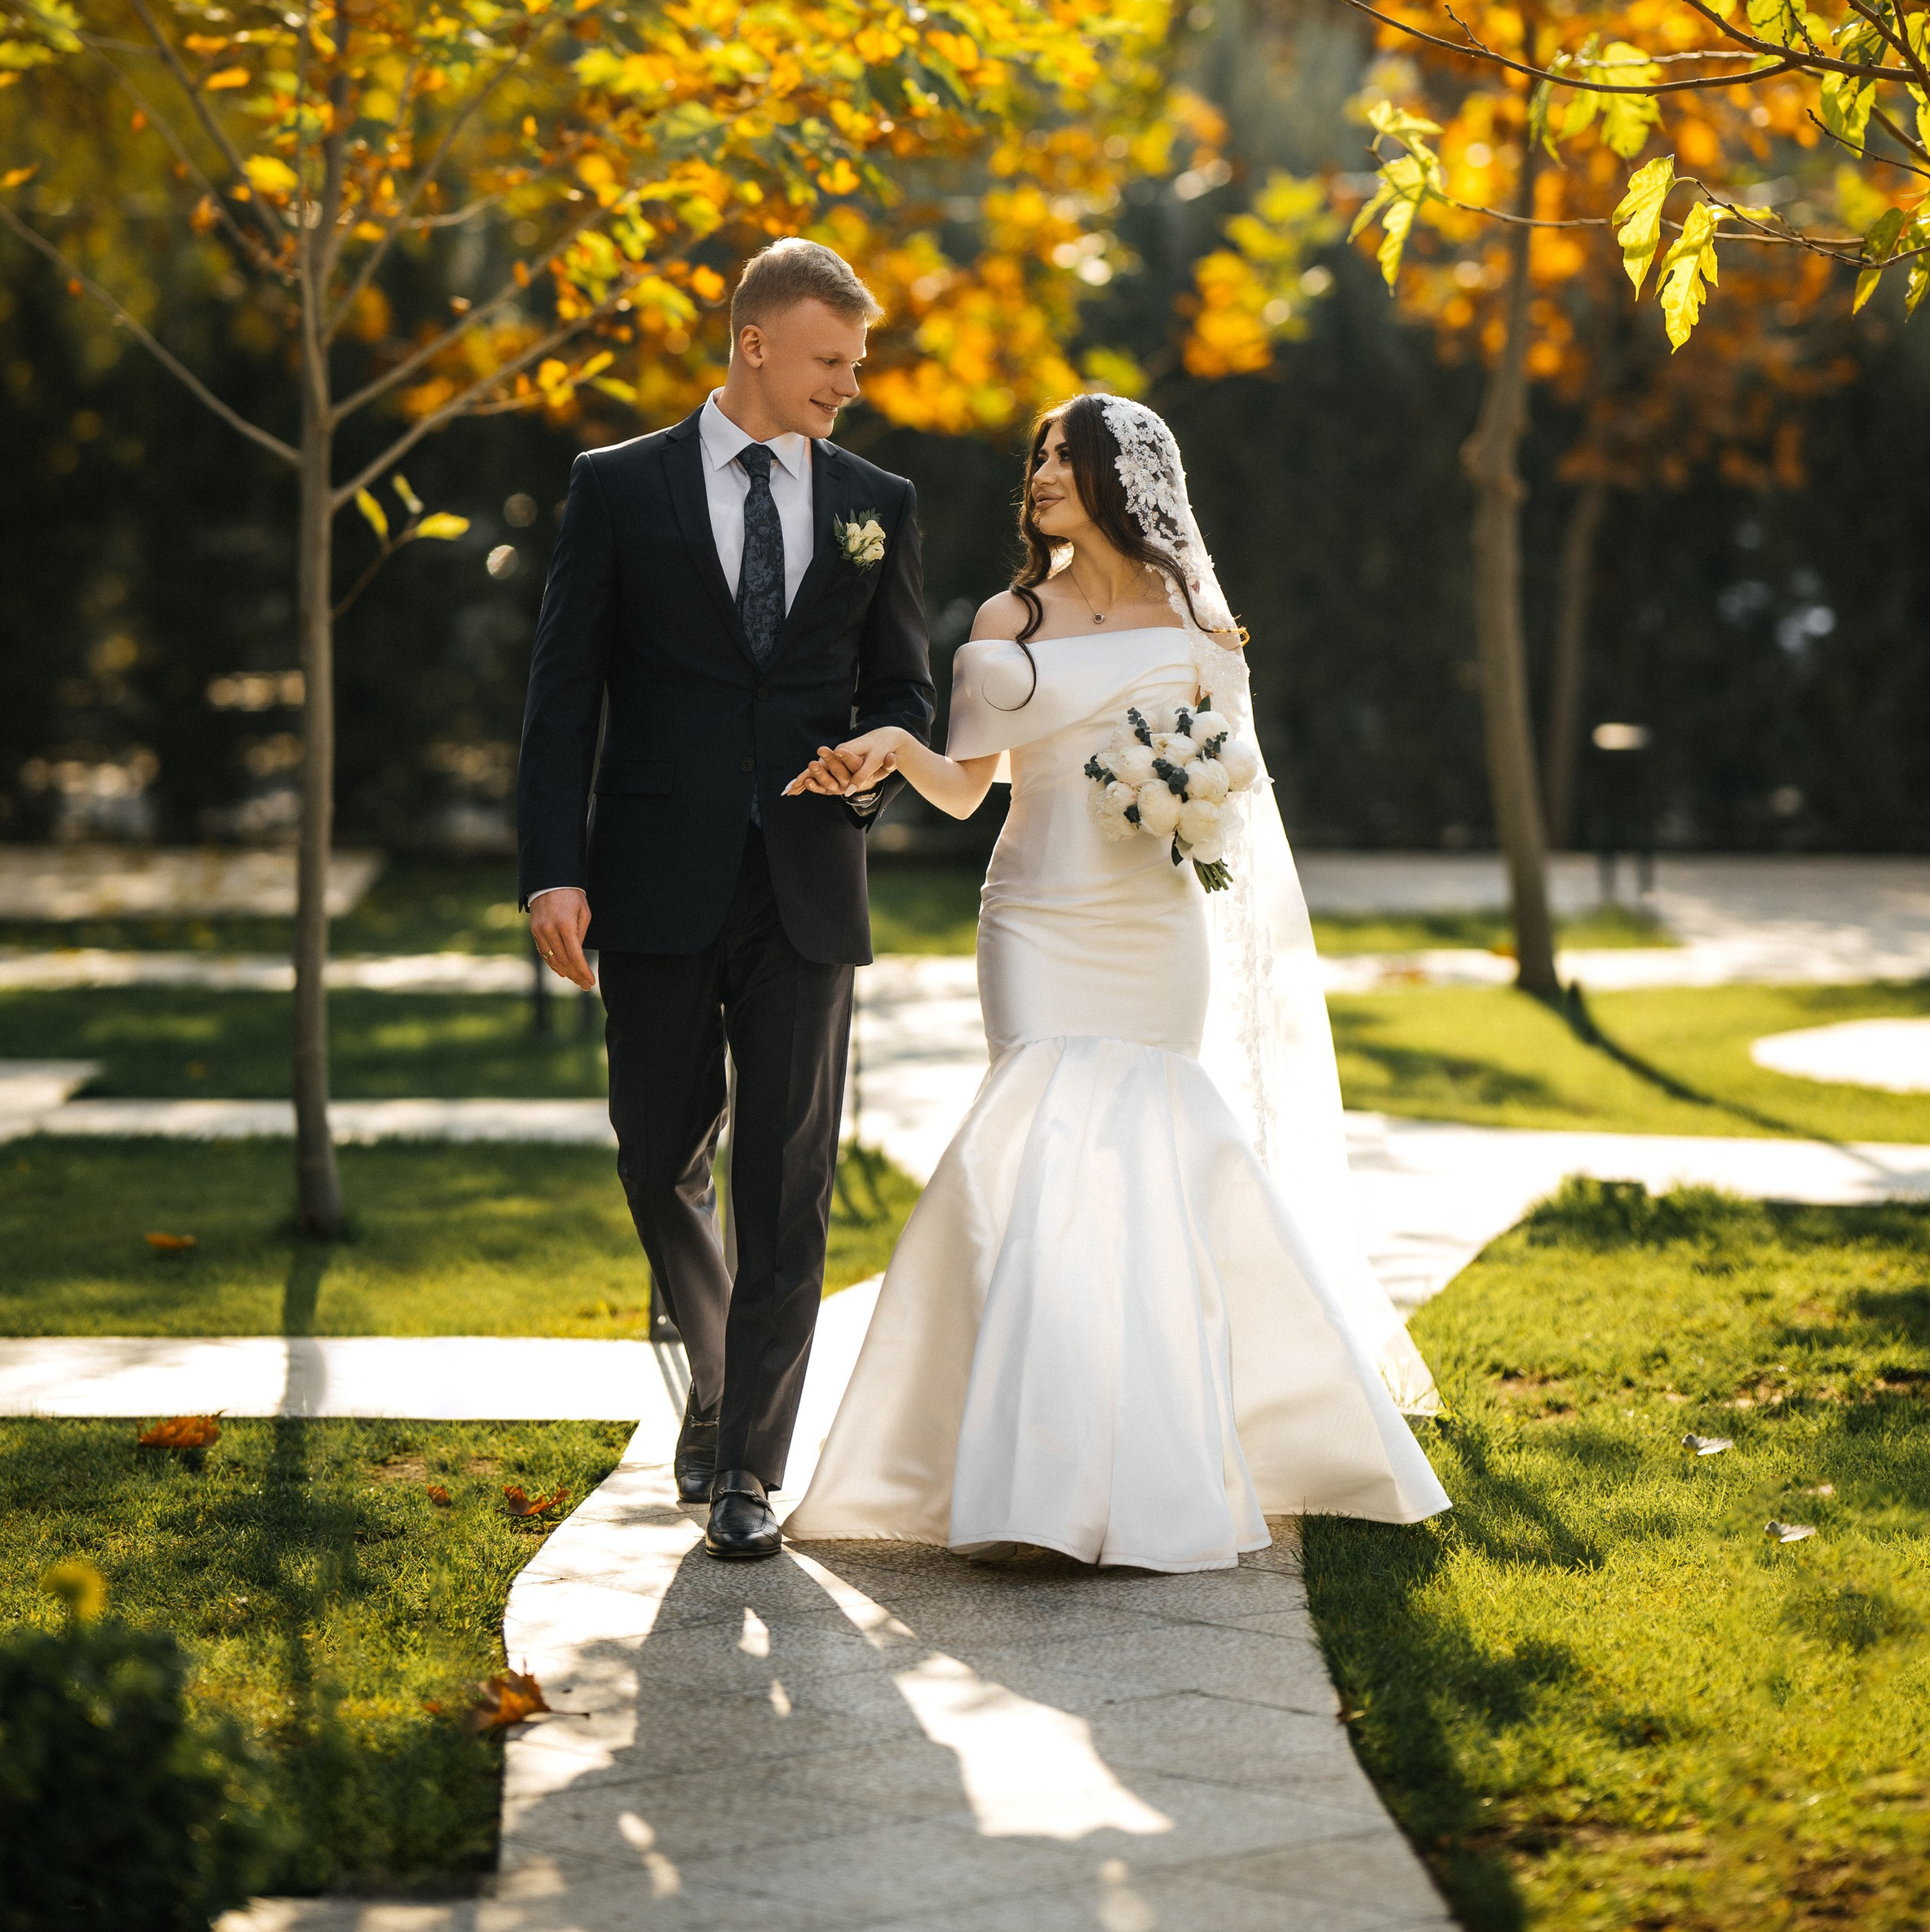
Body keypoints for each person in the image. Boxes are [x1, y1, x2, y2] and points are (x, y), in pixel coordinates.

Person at [781, 390, 1447, 1571]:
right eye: (1037, 456)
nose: (1040, 474)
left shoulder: (1194, 618)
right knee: (1038, 1145)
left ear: (1120, 481)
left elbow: (1236, 777)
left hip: (1152, 922)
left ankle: (1137, 1465)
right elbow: (969, 786)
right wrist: (895, 749)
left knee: (1143, 1166)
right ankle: (1023, 1482)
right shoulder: (1008, 615)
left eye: (1063, 457)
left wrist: (1184, 794)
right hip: (1034, 916)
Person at [518, 239, 932, 1562]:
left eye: (856, 364)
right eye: (830, 360)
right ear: (755, 342)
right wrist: (553, 867)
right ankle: (715, 1368)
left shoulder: (877, 502)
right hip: (652, 873)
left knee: (791, 1177)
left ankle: (751, 1462)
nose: (848, 386)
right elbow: (562, 691)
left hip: (807, 883)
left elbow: (905, 691)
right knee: (655, 1155)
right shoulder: (617, 486)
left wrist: (875, 758)